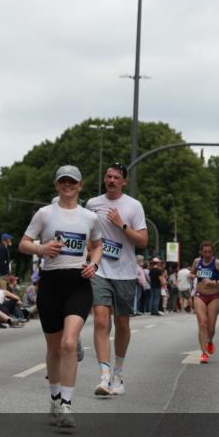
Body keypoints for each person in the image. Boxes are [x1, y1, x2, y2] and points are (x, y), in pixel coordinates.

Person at [17, 165, 102, 429]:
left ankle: (67, 404)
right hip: (51, 283)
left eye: (72, 182)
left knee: (68, 343)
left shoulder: (90, 218)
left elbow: (98, 245)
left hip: (78, 283)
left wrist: (94, 264)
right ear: (57, 185)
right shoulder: (44, 214)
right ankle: (54, 399)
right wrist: (42, 248)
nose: (68, 185)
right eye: (63, 181)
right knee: (54, 348)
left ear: (80, 186)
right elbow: (23, 243)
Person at [86, 163, 148, 396]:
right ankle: (104, 376)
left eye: (117, 177)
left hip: (125, 273)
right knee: (101, 321)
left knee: (122, 324)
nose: (111, 180)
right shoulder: (93, 204)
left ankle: (118, 373)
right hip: (100, 269)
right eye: (108, 176)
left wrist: (121, 224)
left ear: (124, 181)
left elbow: (142, 241)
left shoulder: (134, 206)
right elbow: (88, 234)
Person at [190, 241, 219, 363]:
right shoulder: (197, 262)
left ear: (213, 252)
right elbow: (192, 273)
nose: (207, 254)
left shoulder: (217, 263)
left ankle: (210, 341)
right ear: (201, 252)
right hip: (199, 296)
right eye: (205, 251)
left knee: (211, 328)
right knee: (202, 323)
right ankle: (204, 353)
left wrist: (214, 282)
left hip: (213, 297)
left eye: (209, 252)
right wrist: (192, 276)